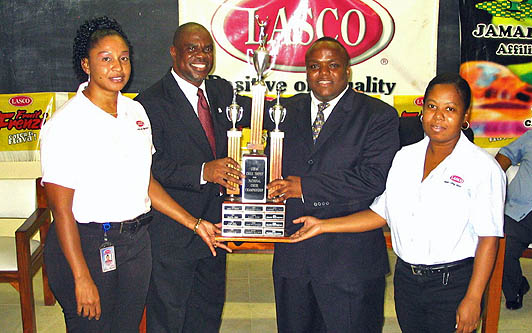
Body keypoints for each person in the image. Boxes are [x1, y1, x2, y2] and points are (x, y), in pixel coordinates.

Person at [40, 17, 228, 332]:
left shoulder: (134, 112)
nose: (118, 67)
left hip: (134, 246)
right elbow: (61, 211)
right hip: (86, 245)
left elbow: (146, 181)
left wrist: (194, 224)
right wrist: (81, 276)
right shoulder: (67, 124)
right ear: (86, 65)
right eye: (106, 59)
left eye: (124, 58)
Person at [290, 73, 506, 333]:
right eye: (432, 106)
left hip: (452, 285)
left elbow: (488, 238)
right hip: (407, 283)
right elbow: (381, 214)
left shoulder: (482, 167)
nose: (438, 117)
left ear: (465, 115)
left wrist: (473, 298)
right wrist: (323, 225)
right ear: (422, 110)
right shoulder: (405, 158)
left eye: (450, 109)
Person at [265, 37, 400, 332]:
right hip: (293, 258)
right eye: (314, 66)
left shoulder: (378, 115)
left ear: (348, 70)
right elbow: (270, 169)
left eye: (333, 66)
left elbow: (374, 179)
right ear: (306, 72)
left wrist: (306, 188)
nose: (323, 73)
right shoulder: (282, 112)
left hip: (350, 262)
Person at [135, 22, 249, 332]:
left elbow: (258, 114)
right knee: (169, 318)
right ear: (173, 52)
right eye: (192, 48)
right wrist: (203, 171)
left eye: (207, 49)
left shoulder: (222, 90)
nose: (201, 55)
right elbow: (149, 167)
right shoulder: (149, 102)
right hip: (173, 233)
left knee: (207, 313)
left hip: (215, 229)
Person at [496, 126, 532, 332]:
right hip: (518, 210)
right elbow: (506, 153)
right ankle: (517, 288)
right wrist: (492, 180)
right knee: (500, 249)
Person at [398, 113, 474, 148]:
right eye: (432, 106)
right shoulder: (402, 128)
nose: (439, 115)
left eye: (449, 109)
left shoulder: (465, 136)